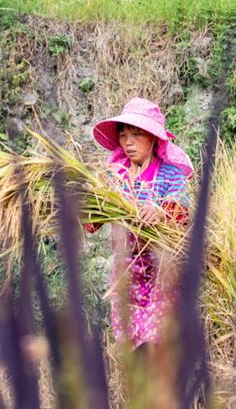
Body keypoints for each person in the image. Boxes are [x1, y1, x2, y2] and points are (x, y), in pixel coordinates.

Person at [86, 97, 193, 346]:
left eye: (136, 135)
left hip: (162, 273)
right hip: (126, 275)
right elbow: (92, 224)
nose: (128, 142)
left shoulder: (171, 174)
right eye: (123, 135)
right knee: (132, 348)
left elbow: (181, 214)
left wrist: (160, 212)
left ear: (153, 138)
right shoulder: (115, 176)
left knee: (158, 343)